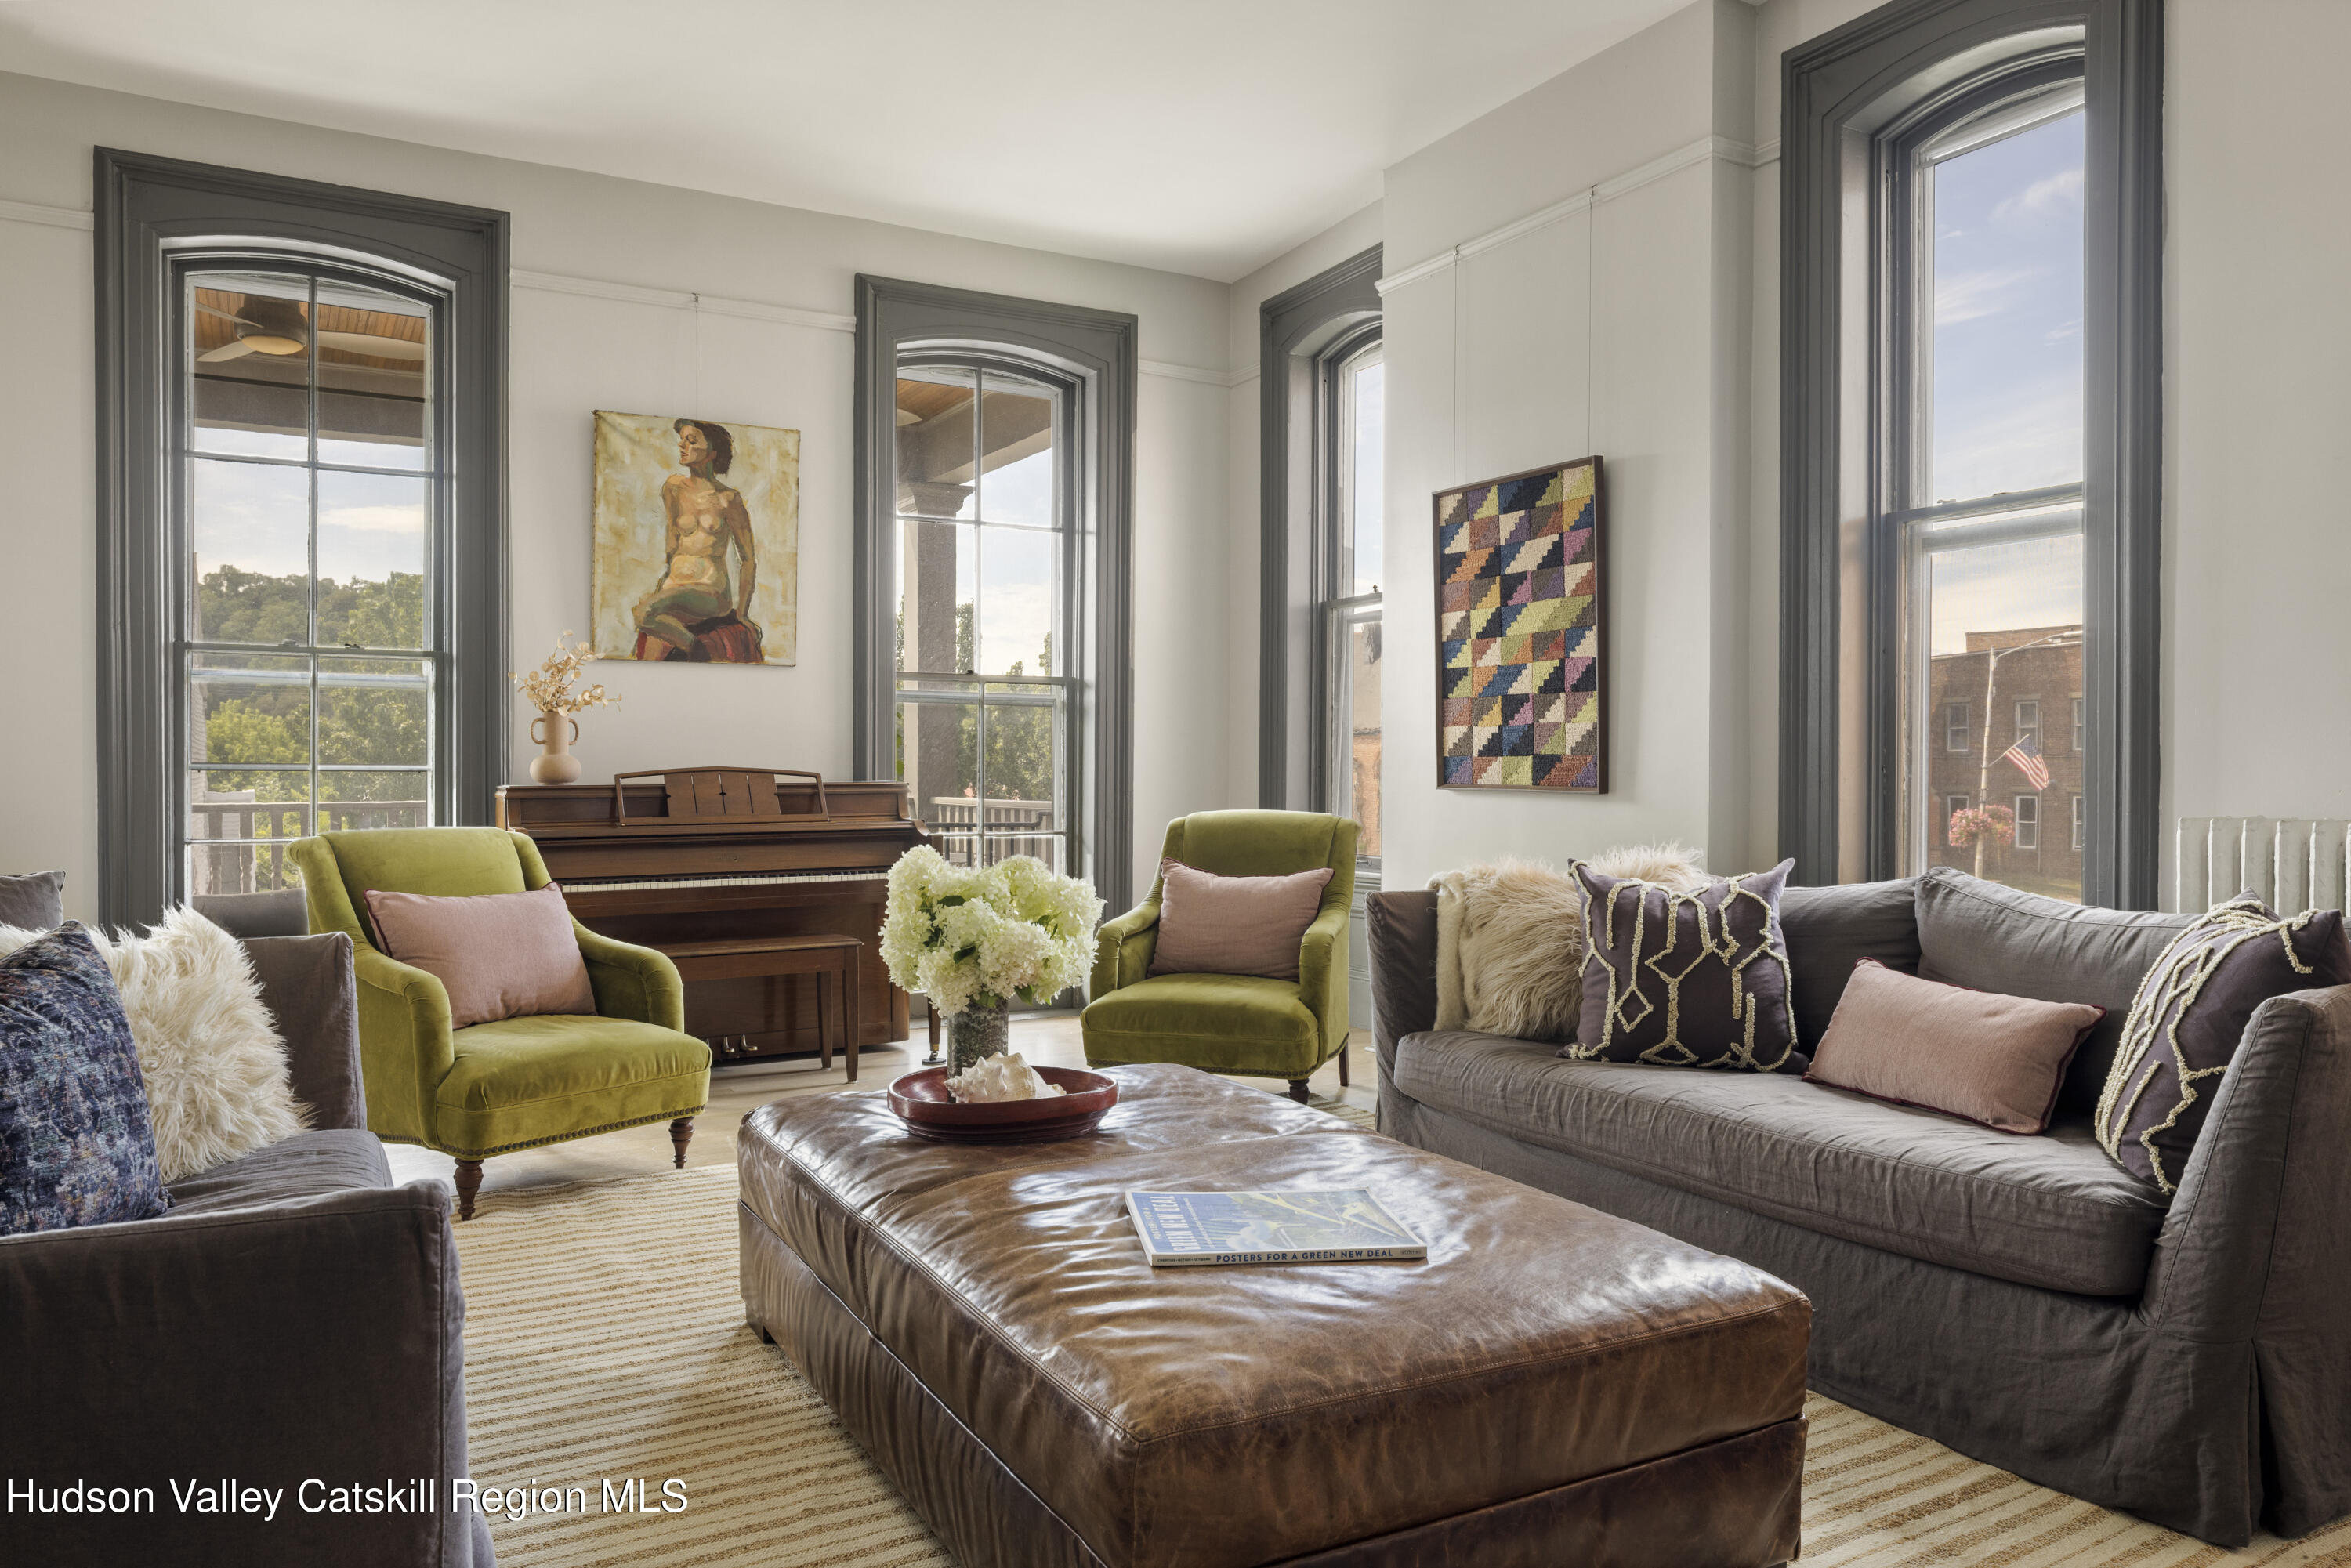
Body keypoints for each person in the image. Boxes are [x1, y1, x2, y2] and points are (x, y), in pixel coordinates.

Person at [632, 418, 762, 661]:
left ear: (712, 453)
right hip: (675, 590)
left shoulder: (728, 499)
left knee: (645, 611)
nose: (682, 446)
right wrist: (664, 587)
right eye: (681, 440)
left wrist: (742, 614)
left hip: (710, 592)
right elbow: (673, 542)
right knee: (648, 627)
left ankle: (697, 651)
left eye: (691, 441)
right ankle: (693, 649)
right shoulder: (673, 488)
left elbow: (748, 559)